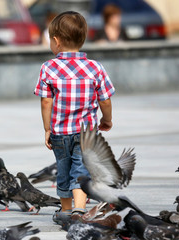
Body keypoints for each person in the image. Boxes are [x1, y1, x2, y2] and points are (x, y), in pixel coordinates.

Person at [34, 11, 115, 224]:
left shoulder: (48, 68)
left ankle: (65, 209)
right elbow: (105, 100)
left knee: (63, 167)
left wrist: (47, 128)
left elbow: (45, 101)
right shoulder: (95, 67)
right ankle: (79, 209)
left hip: (60, 132)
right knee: (81, 169)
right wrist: (106, 119)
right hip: (87, 133)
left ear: (56, 41)